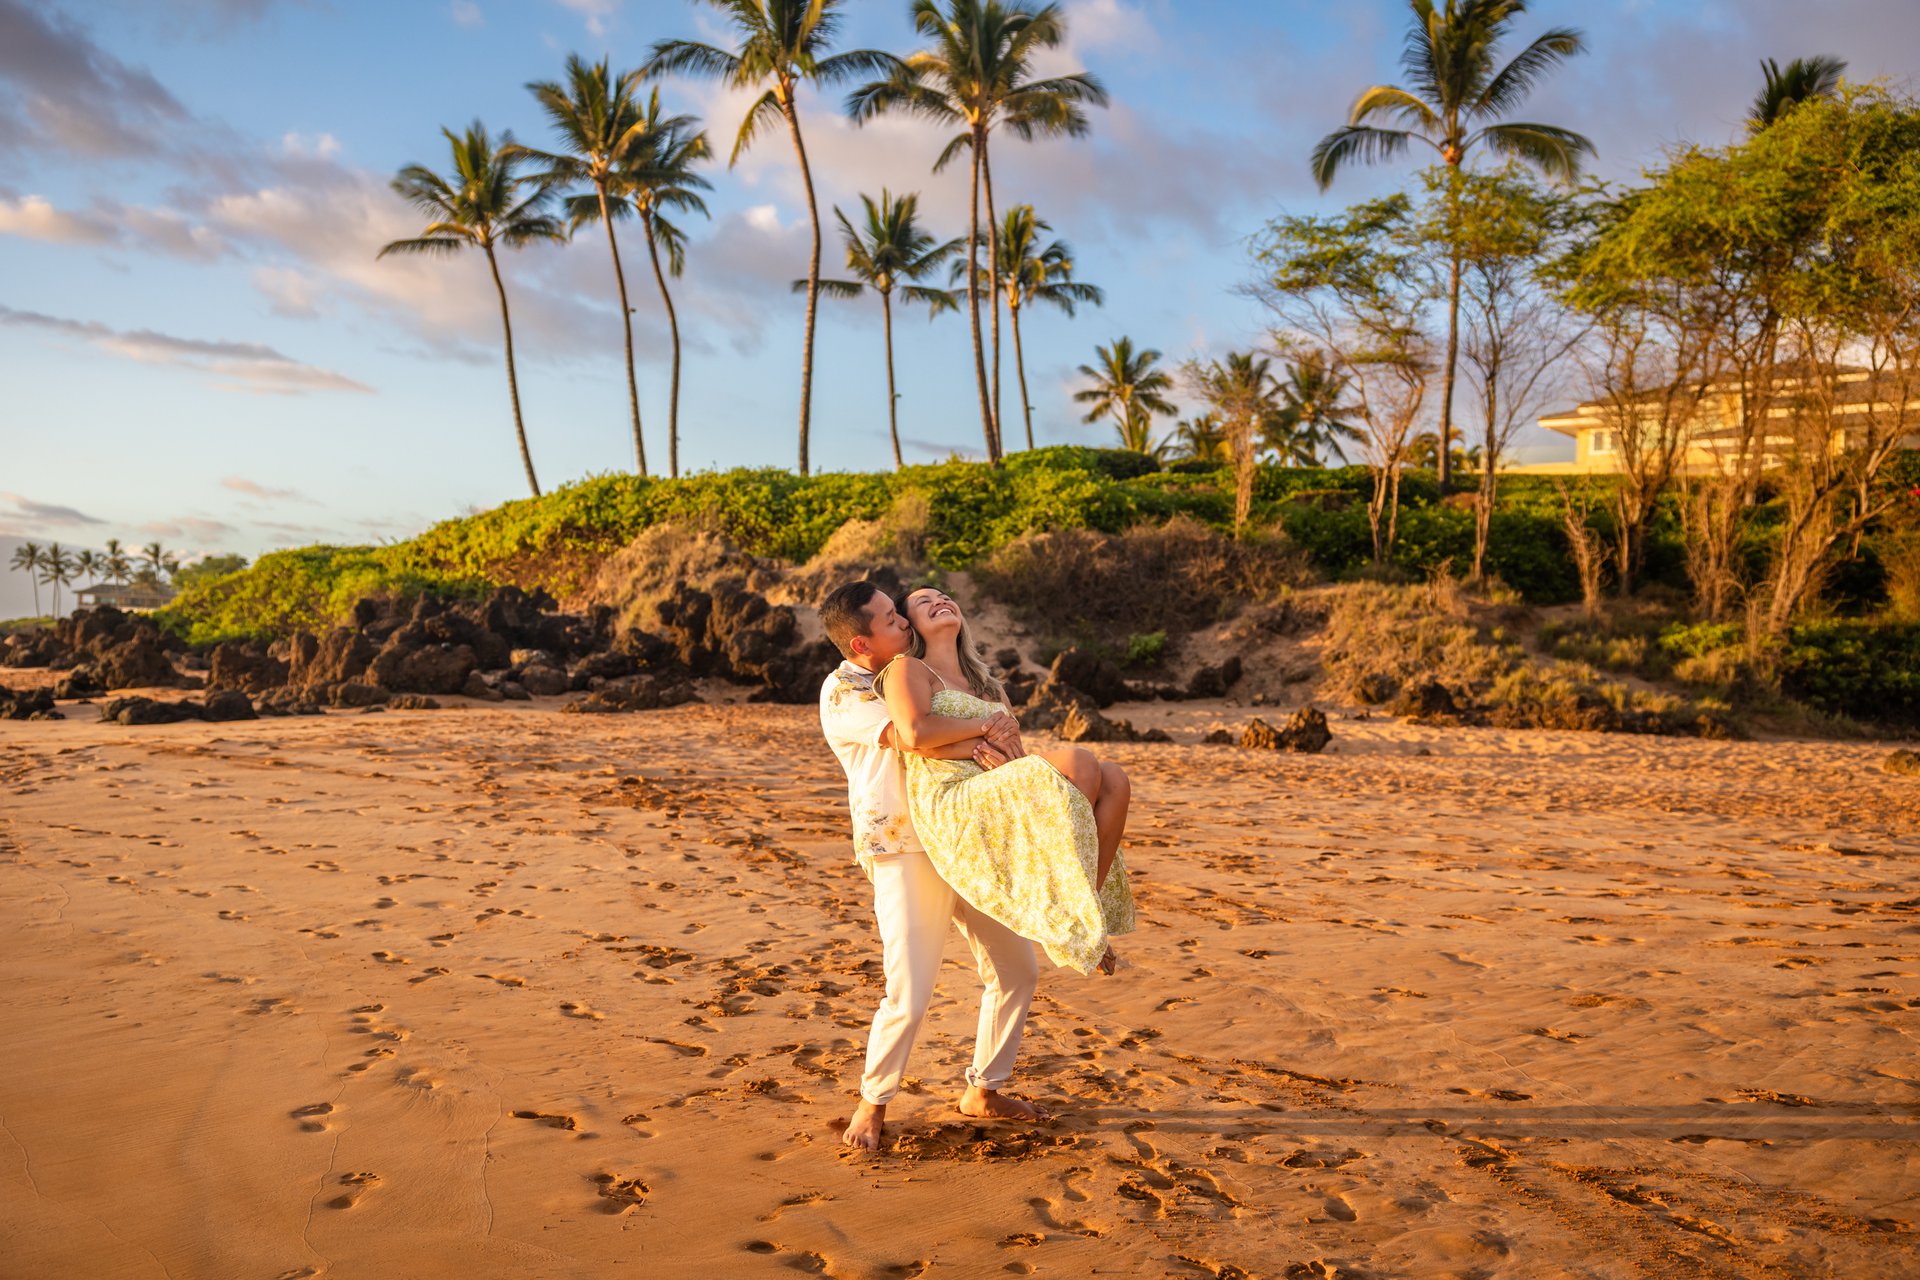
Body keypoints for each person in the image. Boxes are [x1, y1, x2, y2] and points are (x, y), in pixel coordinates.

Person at [818, 580, 1051, 1152]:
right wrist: (985, 731)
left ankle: (985, 1089)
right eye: (890, 618)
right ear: (858, 644)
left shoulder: (916, 672)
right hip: (904, 848)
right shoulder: (845, 690)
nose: (902, 622)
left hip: (964, 836)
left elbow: (952, 735)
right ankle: (872, 1103)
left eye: (902, 613)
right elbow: (916, 738)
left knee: (1017, 968)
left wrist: (981, 734)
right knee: (911, 989)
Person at [876, 585, 1135, 978]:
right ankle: (1072, 915)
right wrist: (984, 730)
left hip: (997, 778)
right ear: (910, 625)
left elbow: (1013, 748)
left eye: (944, 597)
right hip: (950, 794)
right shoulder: (908, 669)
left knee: (1114, 778)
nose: (940, 602)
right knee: (1080, 762)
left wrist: (1003, 755)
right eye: (924, 602)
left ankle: (1083, 912)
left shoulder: (988, 685)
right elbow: (914, 734)